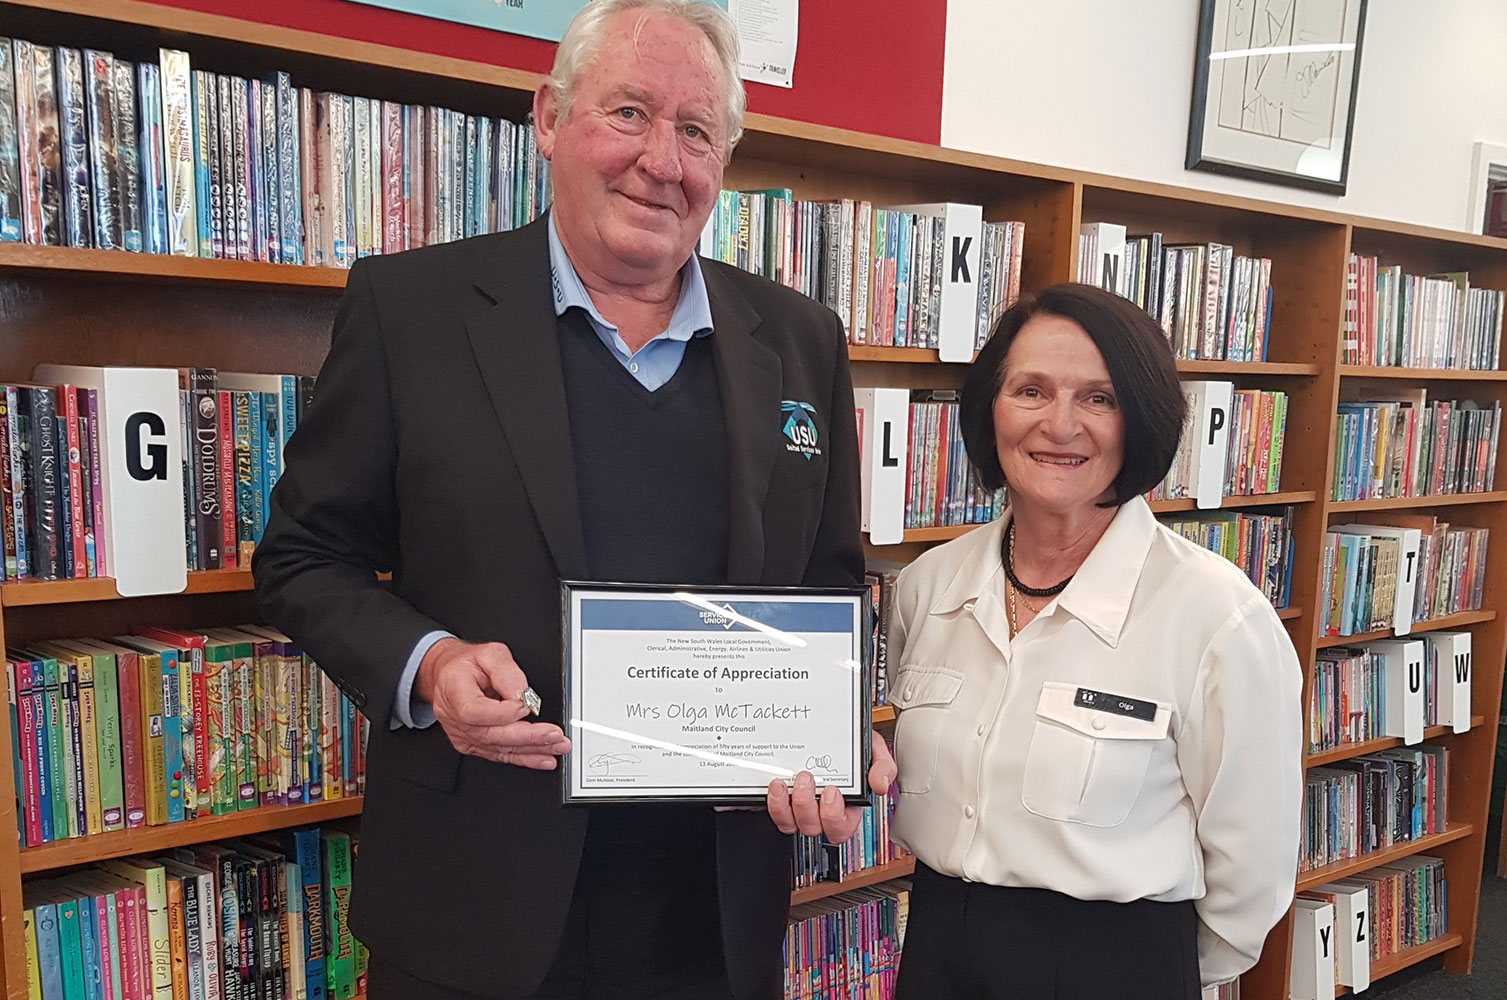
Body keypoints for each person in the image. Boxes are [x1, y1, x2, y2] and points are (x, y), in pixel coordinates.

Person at [253, 2, 893, 997]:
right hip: (474, 903)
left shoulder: (799, 335)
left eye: (695, 132)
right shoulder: (410, 310)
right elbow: (302, 556)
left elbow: (827, 580)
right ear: (549, 117)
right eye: (629, 112)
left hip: (712, 917)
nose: (662, 161)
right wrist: (430, 665)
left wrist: (833, 732)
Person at [884, 283, 1302, 998]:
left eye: (1099, 399)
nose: (1061, 424)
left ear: (1139, 419)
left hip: (1114, 966)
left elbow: (1252, 870)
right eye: (1031, 390)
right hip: (937, 955)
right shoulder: (929, 586)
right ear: (992, 409)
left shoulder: (1216, 616)